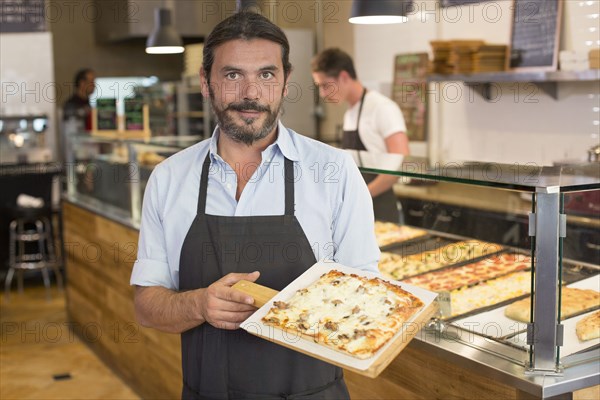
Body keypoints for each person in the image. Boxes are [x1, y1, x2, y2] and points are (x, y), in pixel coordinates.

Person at [131, 12, 379, 400]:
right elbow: (147, 306)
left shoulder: (334, 171)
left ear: (284, 81)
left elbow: (367, 296)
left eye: (266, 75)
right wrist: (199, 304)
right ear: (205, 82)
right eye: (233, 75)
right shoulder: (168, 178)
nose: (251, 92)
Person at [311, 48, 409, 223]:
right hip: (358, 210)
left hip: (380, 210)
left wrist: (360, 196)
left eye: (325, 85)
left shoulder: (382, 108)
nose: (323, 94)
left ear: (344, 77)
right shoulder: (350, 113)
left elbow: (400, 164)